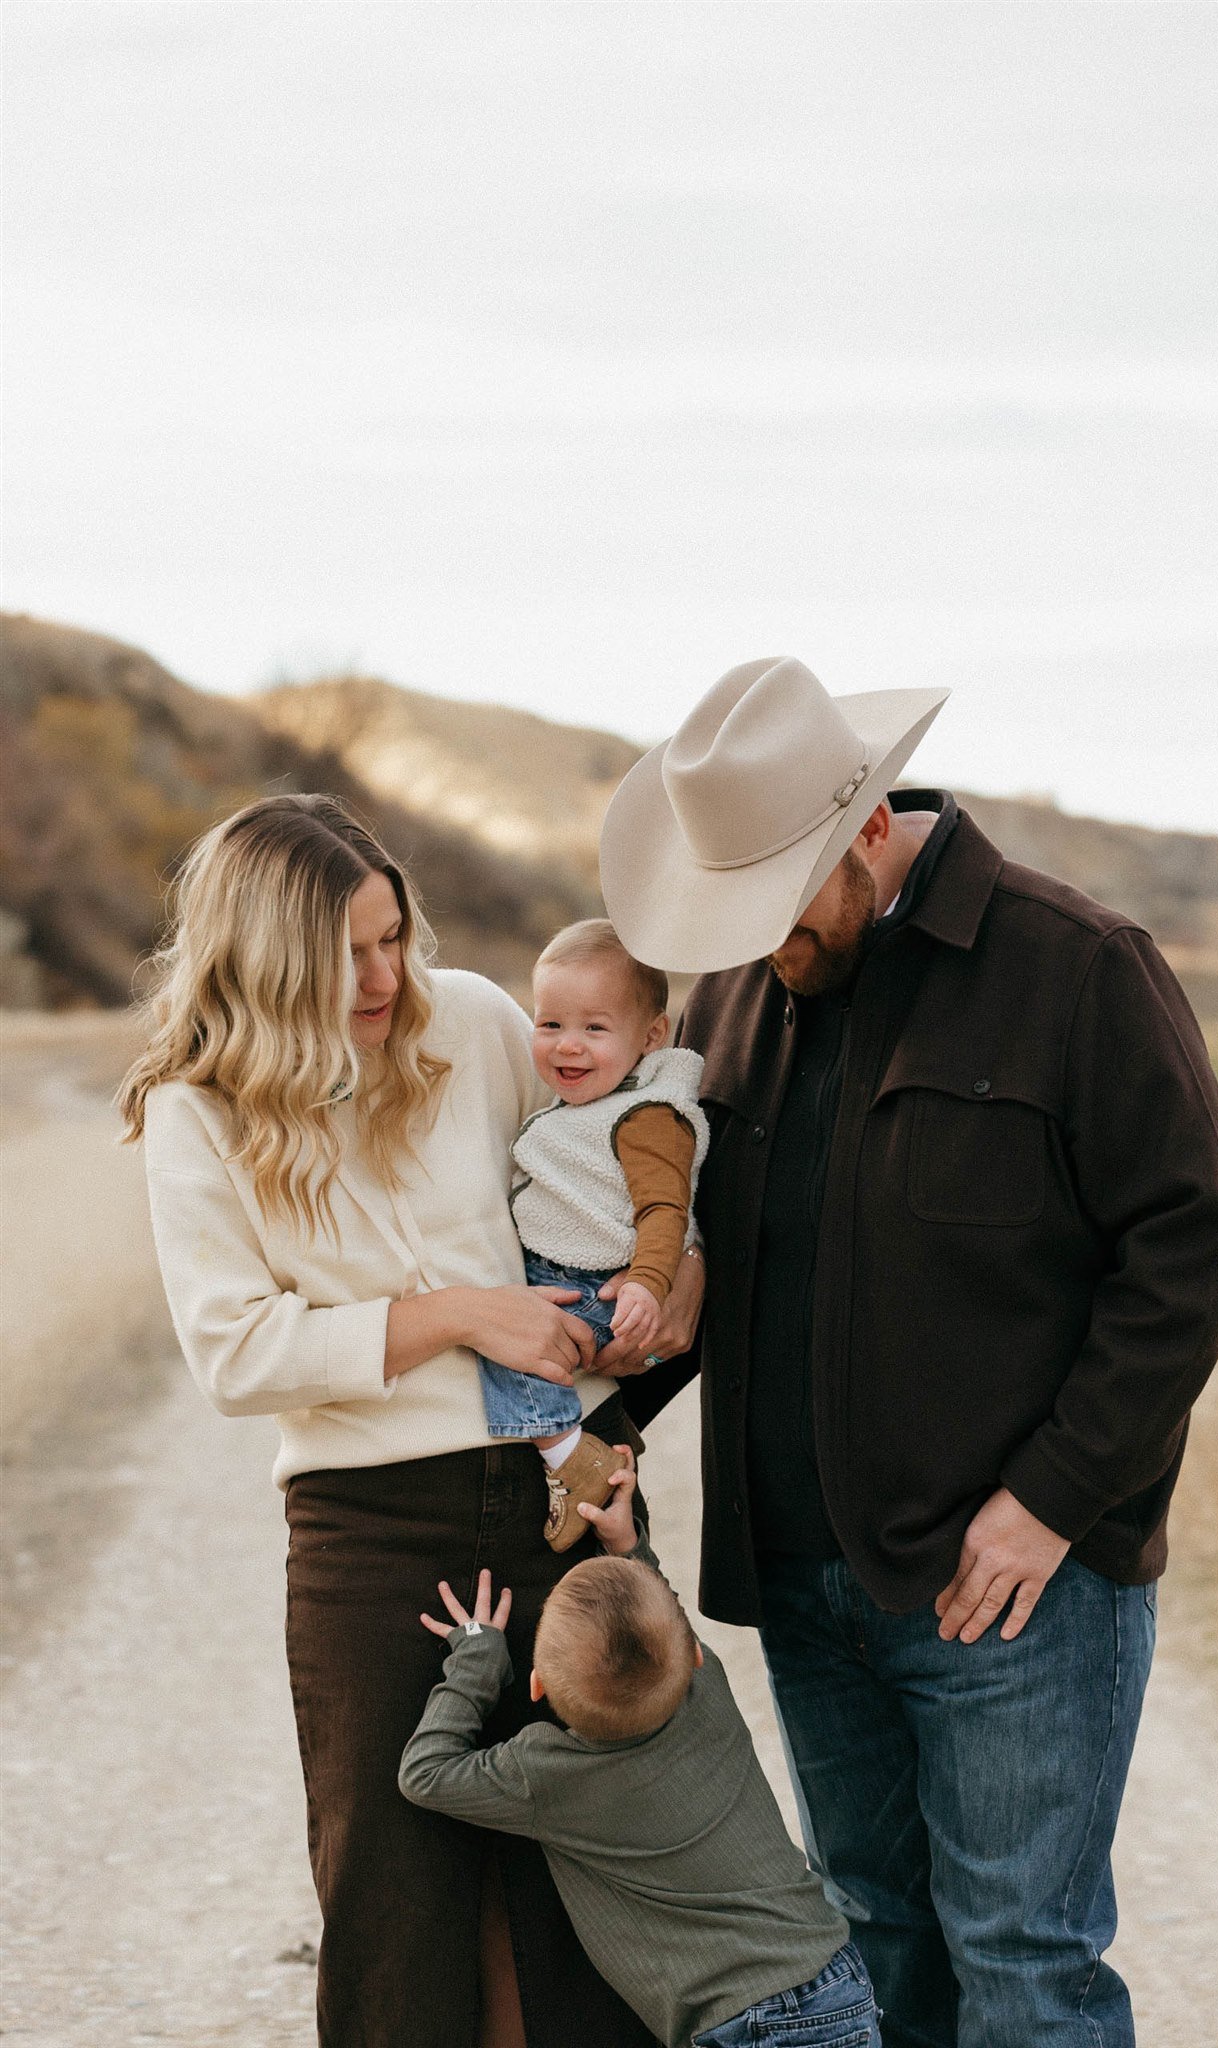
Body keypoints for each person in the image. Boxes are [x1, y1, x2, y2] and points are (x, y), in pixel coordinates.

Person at [598, 657, 1218, 2048]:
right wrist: (613, 1413)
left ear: (868, 833)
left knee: (1023, 1967)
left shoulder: (1077, 968)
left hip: (1010, 1597)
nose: (760, 944)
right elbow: (714, 1257)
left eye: (776, 908)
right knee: (874, 1947)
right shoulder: (733, 999)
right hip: (803, 1587)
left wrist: (1050, 1505)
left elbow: (1188, 1251)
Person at [120, 792, 702, 2048]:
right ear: (267, 956)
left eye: (395, 934)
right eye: (351, 952)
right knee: (397, 1915)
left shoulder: (482, 1022)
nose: (389, 974)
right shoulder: (197, 1109)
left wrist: (669, 1280)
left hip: (560, 1500)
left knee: (591, 1896)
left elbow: (616, 1180)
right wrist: (454, 1315)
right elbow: (234, 1350)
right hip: (368, 1533)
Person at [397, 1448, 880, 2048]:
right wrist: (627, 1545)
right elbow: (664, 1618)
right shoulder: (709, 1692)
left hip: (737, 2027)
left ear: (536, 1685)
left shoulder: (545, 1772)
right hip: (834, 1980)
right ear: (694, 1655)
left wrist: (476, 1659)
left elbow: (425, 1774)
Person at [474, 919, 708, 1550]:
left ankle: (569, 1457)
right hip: (572, 1275)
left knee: (517, 1346)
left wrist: (649, 1286)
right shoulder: (582, 1105)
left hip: (601, 1290)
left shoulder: (647, 1115)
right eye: (550, 1025)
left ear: (650, 1036)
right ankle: (572, 1456)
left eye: (594, 1029)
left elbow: (665, 1209)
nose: (567, 1046)